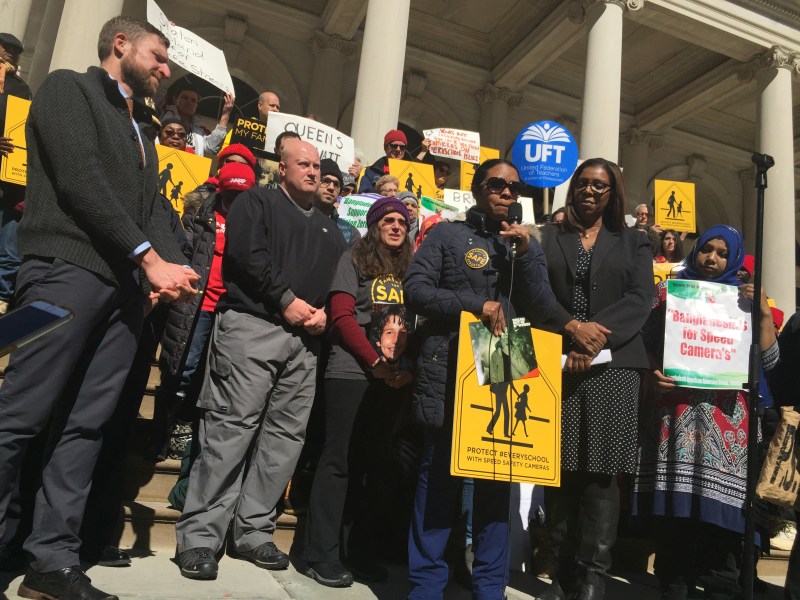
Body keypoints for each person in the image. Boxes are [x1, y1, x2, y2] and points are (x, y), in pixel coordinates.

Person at [0, 16, 199, 600]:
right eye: (159, 56)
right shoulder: (68, 88)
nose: (166, 69)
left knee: (86, 425)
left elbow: (148, 209)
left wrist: (167, 267)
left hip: (123, 293)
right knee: (19, 415)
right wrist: (147, 257)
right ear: (121, 44)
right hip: (62, 274)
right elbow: (81, 181)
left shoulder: (140, 128)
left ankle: (51, 563)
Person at [175, 140, 346, 580]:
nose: (312, 172)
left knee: (284, 439)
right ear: (282, 168)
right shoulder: (257, 201)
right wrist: (285, 300)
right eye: (303, 164)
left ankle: (252, 531)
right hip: (253, 328)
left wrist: (326, 309)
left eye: (317, 166)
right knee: (230, 429)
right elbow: (245, 255)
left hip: (304, 342)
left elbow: (334, 281)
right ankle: (200, 538)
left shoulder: (330, 228)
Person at [404, 158, 556, 599]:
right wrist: (474, 305)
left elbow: (543, 308)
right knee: (438, 481)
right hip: (451, 366)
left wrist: (526, 257)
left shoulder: (527, 245)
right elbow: (416, 289)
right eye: (497, 184)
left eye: (514, 187)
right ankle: (427, 586)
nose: (507, 193)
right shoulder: (448, 236)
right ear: (477, 189)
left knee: (495, 480)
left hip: (506, 365)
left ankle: (490, 588)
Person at [634, 225, 779, 600]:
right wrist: (655, 371)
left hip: (729, 428)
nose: (712, 258)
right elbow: (647, 346)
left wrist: (762, 315)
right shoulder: (671, 293)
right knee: (676, 523)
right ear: (694, 251)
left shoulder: (745, 299)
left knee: (722, 527)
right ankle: (675, 586)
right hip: (677, 420)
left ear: (733, 258)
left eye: (721, 253)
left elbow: (770, 361)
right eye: (705, 250)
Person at [538, 157, 654, 600]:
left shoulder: (634, 242)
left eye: (600, 187)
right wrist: (572, 330)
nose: (590, 191)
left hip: (616, 366)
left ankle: (591, 577)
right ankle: (561, 573)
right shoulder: (549, 238)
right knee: (561, 471)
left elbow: (640, 298)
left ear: (613, 194)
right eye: (583, 184)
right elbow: (538, 294)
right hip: (558, 360)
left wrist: (594, 340)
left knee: (601, 475)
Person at [303, 197, 414, 588]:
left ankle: (360, 551)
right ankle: (320, 554)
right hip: (352, 372)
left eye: (403, 220)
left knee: (374, 465)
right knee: (338, 461)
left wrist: (404, 370)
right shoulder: (353, 259)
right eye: (389, 219)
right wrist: (374, 363)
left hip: (393, 379)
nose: (397, 225)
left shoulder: (413, 269)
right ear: (374, 224)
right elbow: (342, 316)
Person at [149, 161, 256, 462]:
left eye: (241, 194)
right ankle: (160, 436)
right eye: (230, 193)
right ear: (219, 189)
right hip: (196, 305)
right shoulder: (200, 215)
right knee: (181, 371)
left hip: (230, 310)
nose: (235, 200)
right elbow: (183, 253)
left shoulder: (254, 221)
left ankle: (188, 438)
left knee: (213, 379)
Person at [0, 32, 32, 315]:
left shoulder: (21, 89)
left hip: (10, 186)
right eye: (6, 48)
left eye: (15, 51)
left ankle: (0, 300)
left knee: (9, 251)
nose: (11, 53)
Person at [161, 83, 234, 157]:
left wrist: (225, 114)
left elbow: (211, 147)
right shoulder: (163, 119)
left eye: (193, 100)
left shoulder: (200, 129)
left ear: (196, 105)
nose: (189, 102)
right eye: (185, 97)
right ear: (175, 99)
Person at [312, 158, 360, 247]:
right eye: (325, 181)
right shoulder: (294, 217)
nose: (331, 187)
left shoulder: (350, 233)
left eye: (336, 184)